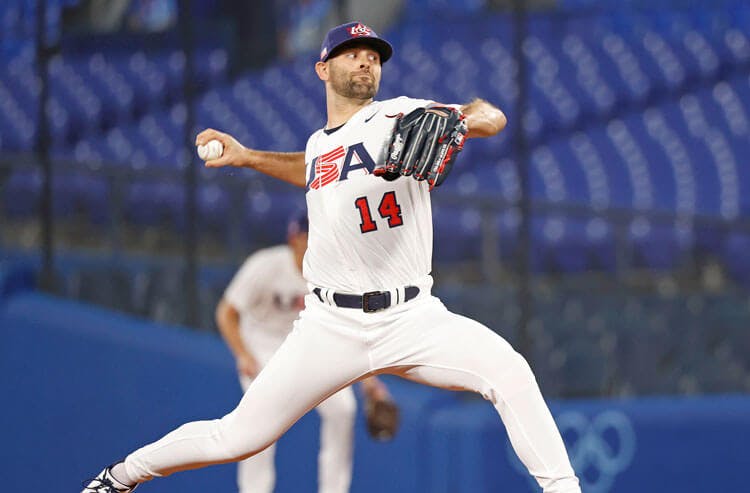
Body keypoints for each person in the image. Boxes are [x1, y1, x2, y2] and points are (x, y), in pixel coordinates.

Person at [83, 21, 581, 493]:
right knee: (237, 438)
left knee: (509, 371)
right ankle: (120, 477)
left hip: (411, 317)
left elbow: (491, 116)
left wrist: (464, 120)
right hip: (329, 325)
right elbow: (316, 168)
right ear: (323, 68)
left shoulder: (400, 114)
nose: (366, 62)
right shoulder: (320, 145)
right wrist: (249, 156)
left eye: (373, 57)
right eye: (352, 55)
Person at [216, 213, 392, 493]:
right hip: (262, 344)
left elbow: (347, 329)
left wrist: (369, 381)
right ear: (294, 238)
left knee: (343, 409)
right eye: (308, 235)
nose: (314, 242)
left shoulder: (331, 274)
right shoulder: (266, 265)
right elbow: (226, 313)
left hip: (306, 345)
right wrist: (243, 354)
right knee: (260, 421)